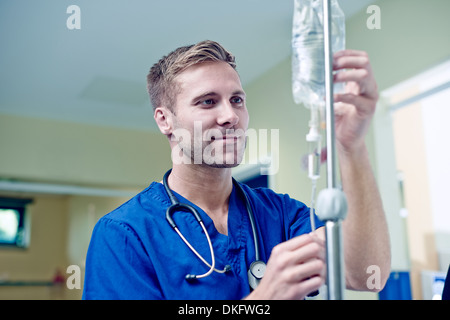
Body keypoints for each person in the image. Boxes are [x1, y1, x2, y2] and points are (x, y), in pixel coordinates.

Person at [82, 40, 391, 300]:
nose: (230, 116)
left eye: (237, 100)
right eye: (207, 102)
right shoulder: (125, 234)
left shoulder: (280, 215)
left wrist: (352, 147)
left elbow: (366, 275)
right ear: (165, 120)